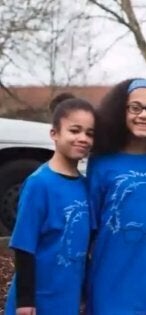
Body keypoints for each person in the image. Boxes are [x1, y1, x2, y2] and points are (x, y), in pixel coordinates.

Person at [86, 78, 146, 315]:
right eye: (135, 107)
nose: (144, 115)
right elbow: (89, 224)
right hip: (109, 278)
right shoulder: (101, 162)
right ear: (121, 111)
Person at [4, 94, 95, 315]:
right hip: (37, 300)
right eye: (74, 130)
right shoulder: (39, 184)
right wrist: (25, 302)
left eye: (90, 133)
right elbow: (24, 246)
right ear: (54, 134)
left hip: (67, 298)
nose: (83, 138)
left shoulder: (85, 186)